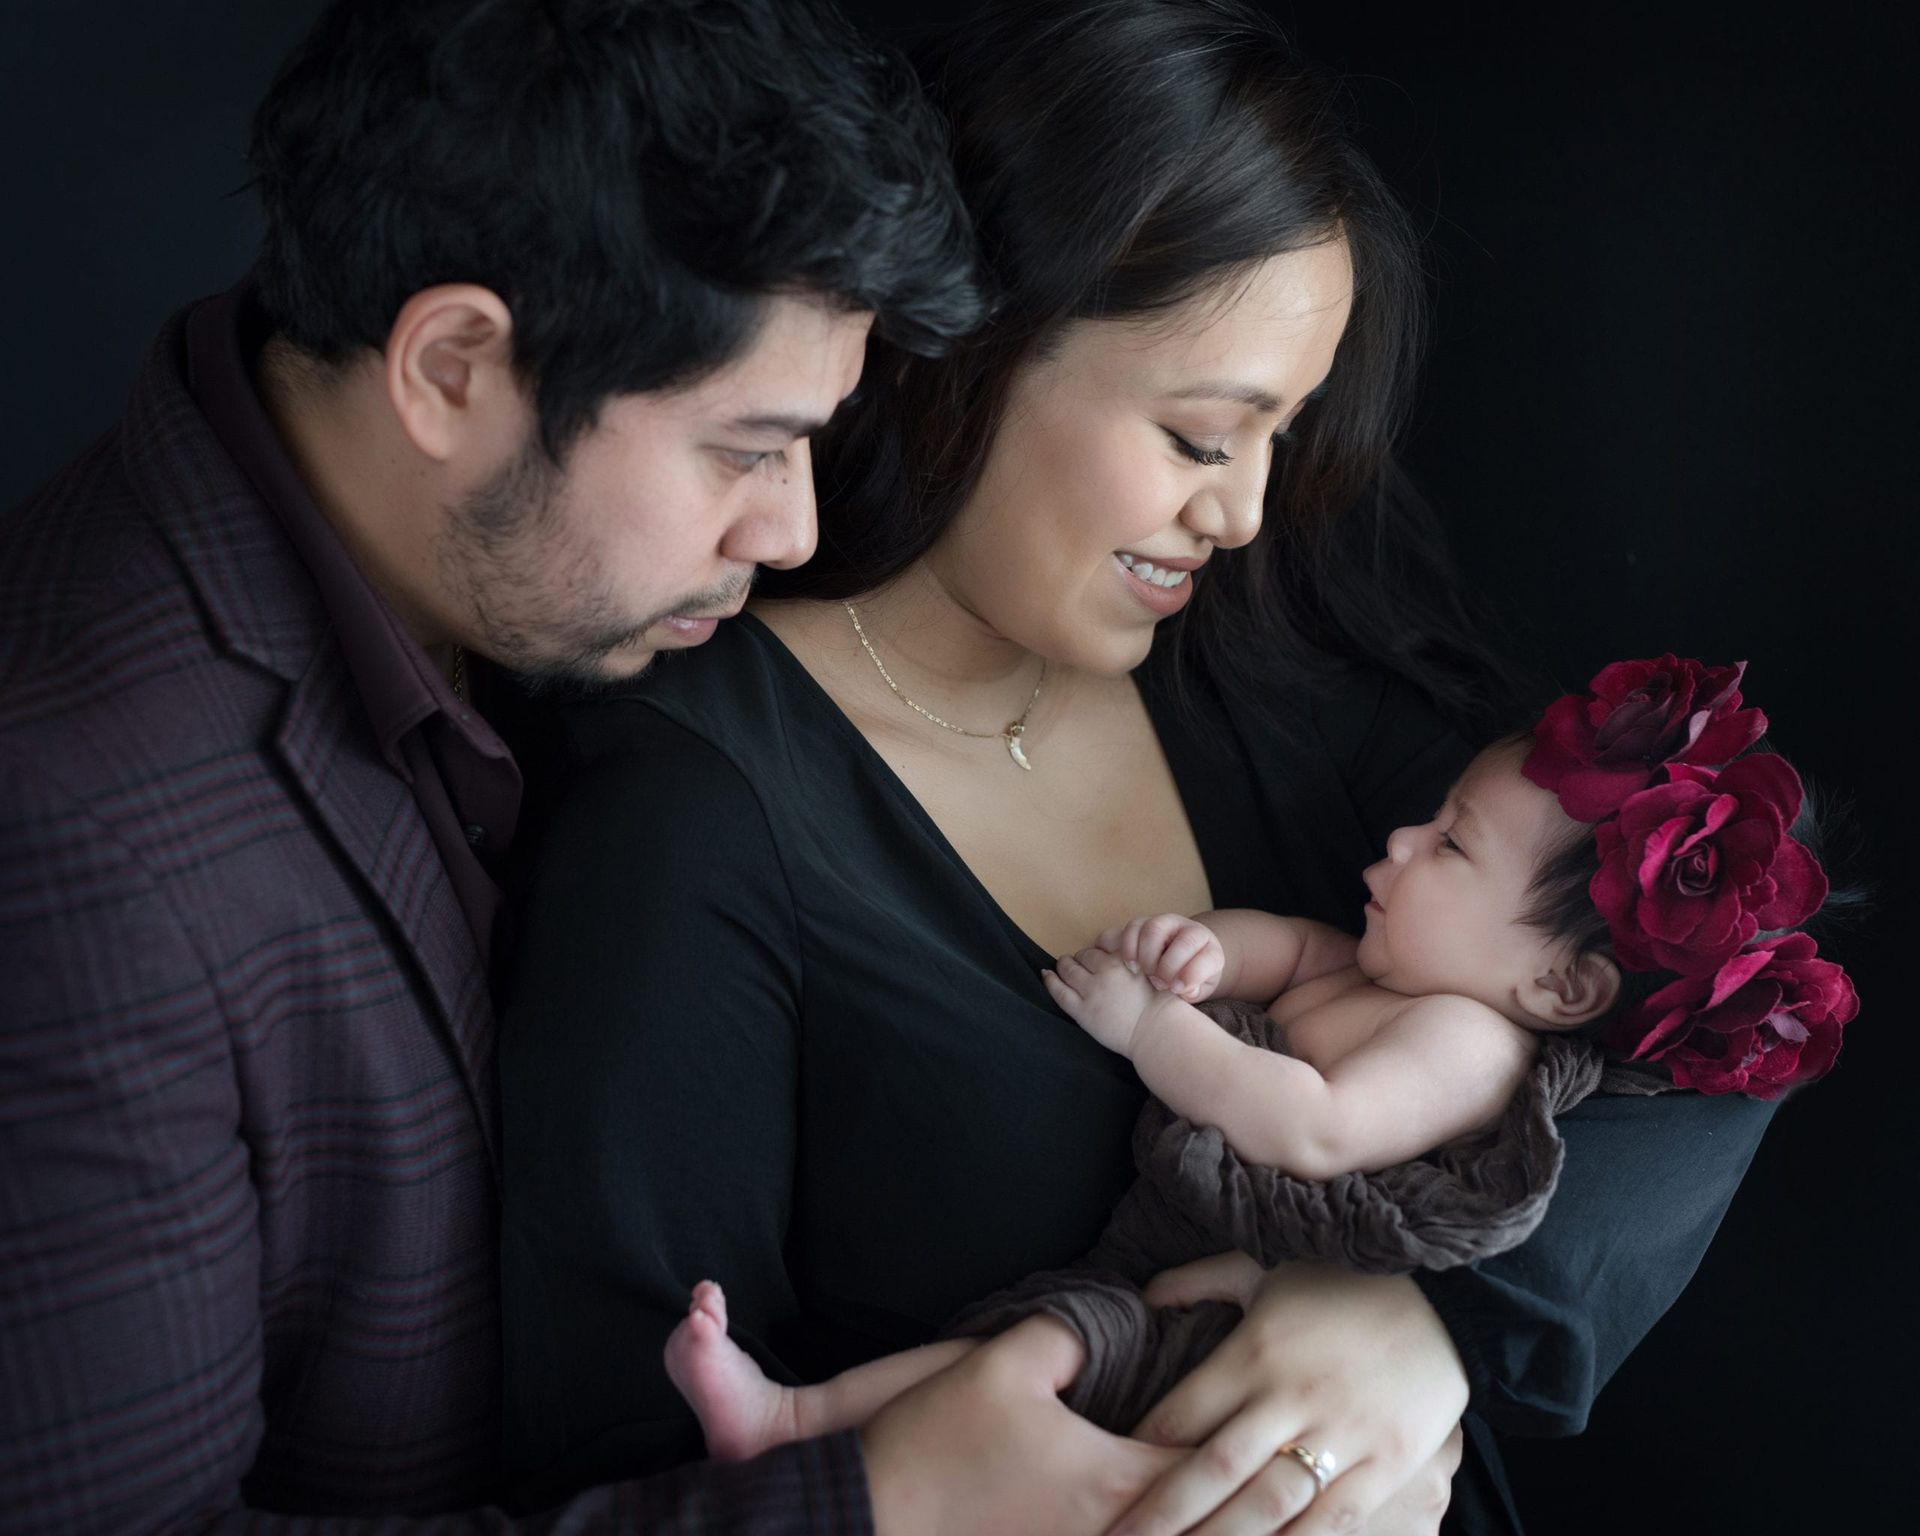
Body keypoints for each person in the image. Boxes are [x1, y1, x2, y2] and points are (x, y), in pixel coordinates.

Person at [498, 4, 1776, 1533]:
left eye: (1283, 435)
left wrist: (1429, 1324)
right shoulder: (696, 815)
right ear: (960, 353)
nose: (1243, 512)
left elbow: (1716, 996)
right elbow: (634, 1444)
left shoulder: (1267, 650)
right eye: (1201, 436)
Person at [0, 1, 1172, 1529]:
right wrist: (873, 1506)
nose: (793, 530)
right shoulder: (74, 843)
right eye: (743, 449)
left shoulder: (485, 566)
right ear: (451, 369)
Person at [656, 665, 1852, 1466]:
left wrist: (1153, 1030)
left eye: (1450, 845)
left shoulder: (1467, 1042)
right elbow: (1274, 947)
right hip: (1156, 1254)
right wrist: (1198, 951)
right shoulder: (1381, 969)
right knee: (1034, 1333)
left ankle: (798, 1420)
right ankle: (793, 1421)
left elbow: (1312, 1127)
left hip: (1231, 1306)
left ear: (1560, 989)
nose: (1401, 839)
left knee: (1042, 1351)